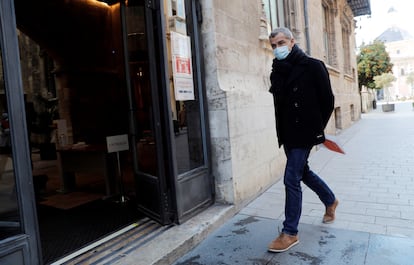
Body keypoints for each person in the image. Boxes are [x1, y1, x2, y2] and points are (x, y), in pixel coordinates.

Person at [267, 27, 338, 253]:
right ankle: (330, 200)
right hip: (288, 133)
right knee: (302, 172)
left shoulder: (313, 66)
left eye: (280, 43)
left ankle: (290, 232)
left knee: (291, 178)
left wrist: (316, 129)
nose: (277, 48)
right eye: (273, 45)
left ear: (292, 41)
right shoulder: (277, 70)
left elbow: (327, 100)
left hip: (304, 133)